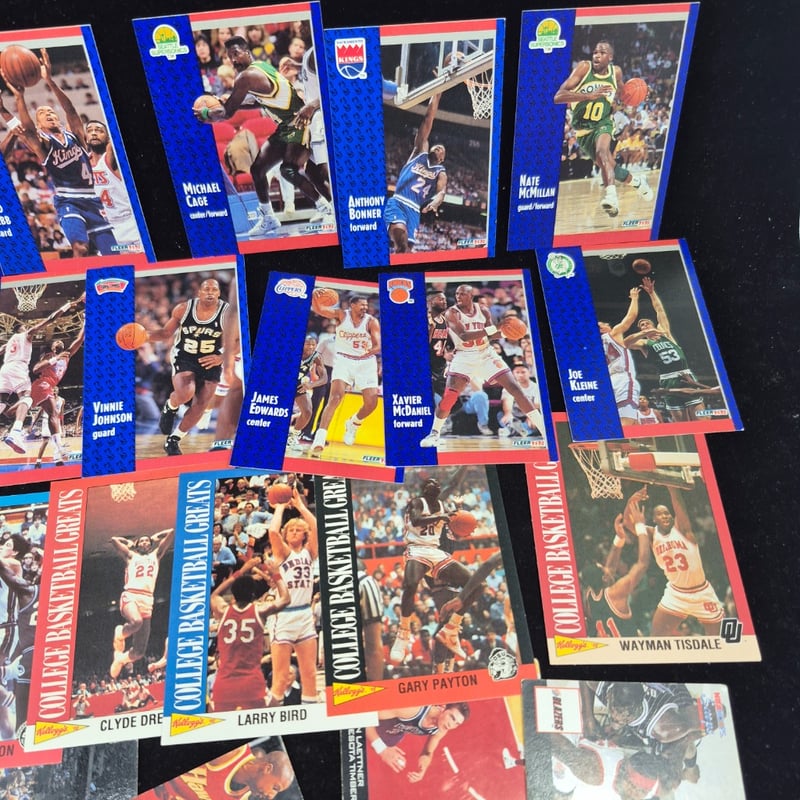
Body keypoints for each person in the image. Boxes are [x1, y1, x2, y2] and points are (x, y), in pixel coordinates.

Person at [210, 36, 333, 237]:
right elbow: (258, 101)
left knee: (290, 170)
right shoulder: (261, 66)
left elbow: (228, 112)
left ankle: (327, 209)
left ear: (246, 52)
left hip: (300, 122)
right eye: (229, 56)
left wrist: (207, 113)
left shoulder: (246, 77)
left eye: (236, 54)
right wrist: (229, 103)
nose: (233, 60)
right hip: (286, 126)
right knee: (258, 169)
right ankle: (269, 218)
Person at [1, 49, 118, 256]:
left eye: (51, 112)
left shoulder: (76, 136)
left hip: (92, 200)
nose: (49, 114)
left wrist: (50, 81)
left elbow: (70, 110)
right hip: (68, 200)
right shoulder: (44, 143)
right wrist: (19, 98)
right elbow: (26, 130)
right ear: (39, 124)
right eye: (43, 113)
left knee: (113, 253)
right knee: (80, 247)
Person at [420, 285, 543, 448]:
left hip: (486, 354)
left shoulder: (483, 310)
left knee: (515, 389)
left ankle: (544, 430)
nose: (458, 296)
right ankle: (434, 434)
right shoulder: (451, 313)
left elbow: (490, 335)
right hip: (464, 356)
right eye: (457, 294)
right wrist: (495, 328)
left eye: (463, 294)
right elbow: (464, 336)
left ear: (471, 295)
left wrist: (507, 332)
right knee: (449, 397)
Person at [553, 40, 653, 217]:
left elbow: (625, 95)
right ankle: (638, 183)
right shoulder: (584, 68)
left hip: (603, 123)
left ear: (610, 57)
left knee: (602, 152)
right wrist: (587, 96)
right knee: (612, 168)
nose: (597, 56)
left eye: (602, 52)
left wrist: (643, 92)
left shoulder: (616, 73)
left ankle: (611, 197)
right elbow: (558, 96)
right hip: (583, 131)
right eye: (595, 52)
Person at [389, 473, 473, 664]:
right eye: (430, 483)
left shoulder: (443, 506)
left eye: (436, 482)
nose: (434, 484)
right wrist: (440, 516)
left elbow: (453, 485)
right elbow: (417, 520)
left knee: (474, 583)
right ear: (424, 489)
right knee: (410, 584)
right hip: (416, 549)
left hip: (436, 551)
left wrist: (460, 517)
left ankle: (453, 628)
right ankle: (403, 631)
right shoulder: (417, 502)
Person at [147, 278, 233, 456]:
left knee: (202, 403)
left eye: (214, 290)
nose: (210, 292)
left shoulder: (227, 313)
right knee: (186, 392)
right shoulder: (183, 309)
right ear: (199, 292)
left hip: (211, 359)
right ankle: (171, 406)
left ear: (219, 293)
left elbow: (238, 341)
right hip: (185, 356)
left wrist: (221, 357)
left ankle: (174, 440)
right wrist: (144, 336)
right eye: (206, 289)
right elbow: (165, 333)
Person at [0, 297, 79, 456]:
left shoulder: (9, 343)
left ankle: (57, 447)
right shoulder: (26, 335)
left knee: (2, 403)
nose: (27, 327)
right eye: (25, 326)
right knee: (26, 398)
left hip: (5, 369)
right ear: (21, 329)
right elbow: (50, 319)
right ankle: (16, 432)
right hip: (18, 367)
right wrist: (67, 305)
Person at [210, 556, 288, 712]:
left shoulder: (223, 611)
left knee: (218, 724)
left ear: (233, 594)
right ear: (253, 595)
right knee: (277, 715)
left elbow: (215, 595)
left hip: (224, 684)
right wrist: (276, 574)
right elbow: (285, 599)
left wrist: (242, 571)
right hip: (251, 682)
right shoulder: (260, 610)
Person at [623, 277, 707, 421]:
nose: (645, 325)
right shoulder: (644, 343)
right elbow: (625, 343)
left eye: (647, 323)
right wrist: (643, 333)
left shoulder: (665, 333)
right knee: (682, 424)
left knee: (702, 419)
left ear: (654, 325)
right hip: (667, 381)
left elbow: (660, 310)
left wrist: (651, 293)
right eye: (642, 325)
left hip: (685, 376)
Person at [309, 291, 380, 457]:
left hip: (365, 361)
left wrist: (369, 352)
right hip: (343, 359)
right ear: (352, 305)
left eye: (366, 305)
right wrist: (315, 297)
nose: (365, 308)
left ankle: (353, 423)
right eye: (361, 305)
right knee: (335, 397)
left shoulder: (372, 321)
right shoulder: (341, 315)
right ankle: (319, 438)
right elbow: (319, 309)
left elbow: (378, 345)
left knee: (371, 403)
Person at [265, 488, 319, 705]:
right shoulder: (283, 552)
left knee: (310, 674)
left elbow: (316, 526)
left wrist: (300, 506)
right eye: (291, 530)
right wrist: (279, 508)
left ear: (304, 535)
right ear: (286, 535)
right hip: (284, 617)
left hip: (305, 615)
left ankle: (310, 716)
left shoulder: (309, 553)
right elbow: (272, 532)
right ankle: (271, 715)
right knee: (280, 679)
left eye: (299, 530)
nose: (295, 532)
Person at [646, 486, 725, 636]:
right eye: (660, 514)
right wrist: (631, 502)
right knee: (655, 639)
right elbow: (631, 524)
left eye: (667, 513)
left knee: (719, 641)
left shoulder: (683, 531)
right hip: (676, 593)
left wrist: (673, 488)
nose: (665, 516)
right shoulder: (652, 534)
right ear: (654, 519)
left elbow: (679, 507)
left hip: (702, 592)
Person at [18, 312, 85, 466]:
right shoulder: (49, 356)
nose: (59, 342)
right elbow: (36, 369)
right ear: (53, 348)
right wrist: (54, 359)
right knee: (51, 413)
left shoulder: (67, 355)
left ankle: (21, 432)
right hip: (42, 384)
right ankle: (19, 432)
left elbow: (79, 339)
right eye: (56, 342)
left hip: (48, 387)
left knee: (45, 413)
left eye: (61, 341)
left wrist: (86, 322)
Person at [583, 489, 651, 637]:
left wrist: (619, 538)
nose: (606, 567)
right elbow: (643, 563)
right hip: (629, 647)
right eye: (603, 569)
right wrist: (640, 526)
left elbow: (609, 569)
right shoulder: (617, 592)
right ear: (604, 578)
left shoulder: (589, 596)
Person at [384, 92, 447, 253]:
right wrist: (437, 93)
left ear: (442, 159)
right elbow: (428, 119)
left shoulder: (440, 172)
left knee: (405, 250)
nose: (438, 148)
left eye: (442, 149)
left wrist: (436, 201)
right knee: (400, 238)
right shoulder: (419, 153)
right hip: (398, 201)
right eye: (437, 146)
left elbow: (441, 192)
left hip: (414, 210)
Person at [109, 528, 175, 679]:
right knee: (136, 621)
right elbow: (114, 540)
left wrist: (156, 536)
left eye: (147, 541)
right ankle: (120, 633)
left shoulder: (156, 555)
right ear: (137, 545)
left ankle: (121, 659)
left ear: (150, 545)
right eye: (142, 541)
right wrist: (129, 543)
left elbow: (171, 532)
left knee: (139, 652)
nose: (145, 542)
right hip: (131, 595)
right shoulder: (131, 556)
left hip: (147, 599)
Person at [144, 742, 295, 800]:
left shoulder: (240, 798)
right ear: (267, 768)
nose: (271, 796)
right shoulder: (230, 754)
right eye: (275, 788)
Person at [365, 703, 469, 782]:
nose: (451, 725)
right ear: (443, 708)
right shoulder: (412, 709)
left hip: (392, 734)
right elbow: (363, 717)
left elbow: (428, 752)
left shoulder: (442, 729)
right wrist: (382, 750)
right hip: (371, 724)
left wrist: (423, 768)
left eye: (457, 724)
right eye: (452, 717)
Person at [548, 734, 666, 800]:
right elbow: (554, 743)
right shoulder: (594, 772)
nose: (634, 795)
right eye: (632, 785)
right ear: (623, 771)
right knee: (563, 788)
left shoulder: (643, 790)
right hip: (555, 762)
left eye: (643, 791)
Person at [84, 119, 142, 253]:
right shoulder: (82, 162)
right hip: (105, 228)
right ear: (85, 138)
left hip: (129, 224)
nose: (94, 133)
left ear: (108, 138)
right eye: (90, 131)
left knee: (135, 260)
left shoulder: (110, 157)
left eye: (99, 131)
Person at [598, 286, 642, 426]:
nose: (607, 324)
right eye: (603, 324)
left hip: (608, 382)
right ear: (602, 329)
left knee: (628, 422)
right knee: (627, 423)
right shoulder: (613, 333)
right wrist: (634, 298)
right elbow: (631, 317)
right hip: (623, 379)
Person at [287, 335, 327, 452]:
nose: (311, 347)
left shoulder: (316, 357)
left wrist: (310, 385)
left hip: (299, 385)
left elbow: (324, 378)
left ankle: (292, 437)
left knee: (308, 411)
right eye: (308, 344)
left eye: (313, 345)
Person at [498, 358, 543, 437]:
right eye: (517, 372)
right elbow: (507, 400)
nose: (520, 375)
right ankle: (518, 430)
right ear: (513, 374)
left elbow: (537, 404)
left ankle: (512, 431)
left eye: (523, 372)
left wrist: (532, 417)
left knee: (537, 422)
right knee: (501, 416)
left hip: (529, 415)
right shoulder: (509, 387)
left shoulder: (536, 387)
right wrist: (508, 413)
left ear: (529, 372)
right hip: (514, 415)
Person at [31, 385, 65, 468]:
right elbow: (39, 412)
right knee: (45, 441)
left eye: (56, 389)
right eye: (53, 389)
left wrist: (62, 426)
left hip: (56, 421)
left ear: (58, 391)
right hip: (47, 421)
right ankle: (38, 461)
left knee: (57, 441)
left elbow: (61, 414)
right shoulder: (47, 400)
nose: (54, 391)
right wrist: (32, 425)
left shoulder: (62, 400)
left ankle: (58, 460)